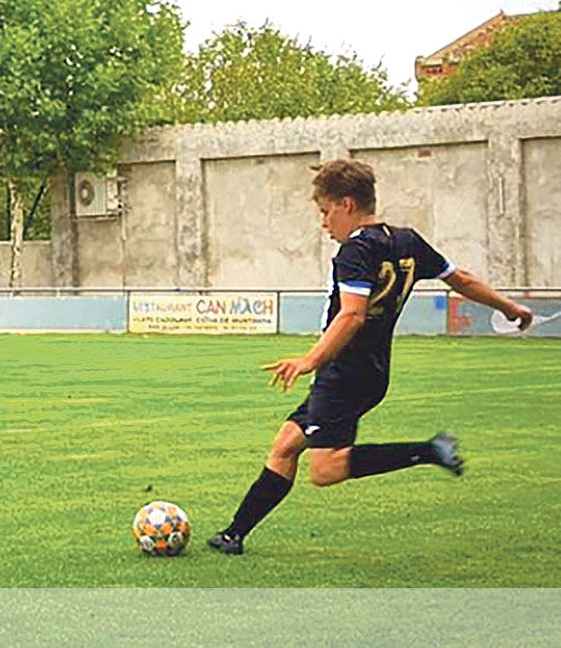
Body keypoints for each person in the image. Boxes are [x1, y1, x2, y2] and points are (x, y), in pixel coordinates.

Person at [208, 159, 534, 556]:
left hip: (344, 373)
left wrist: (310, 360)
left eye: (326, 212)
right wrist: (510, 307)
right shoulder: (407, 241)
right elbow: (460, 279)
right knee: (286, 445)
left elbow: (352, 315)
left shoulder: (355, 251)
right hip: (372, 371)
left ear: (346, 204)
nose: (324, 223)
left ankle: (428, 450)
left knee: (325, 469)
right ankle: (233, 535)